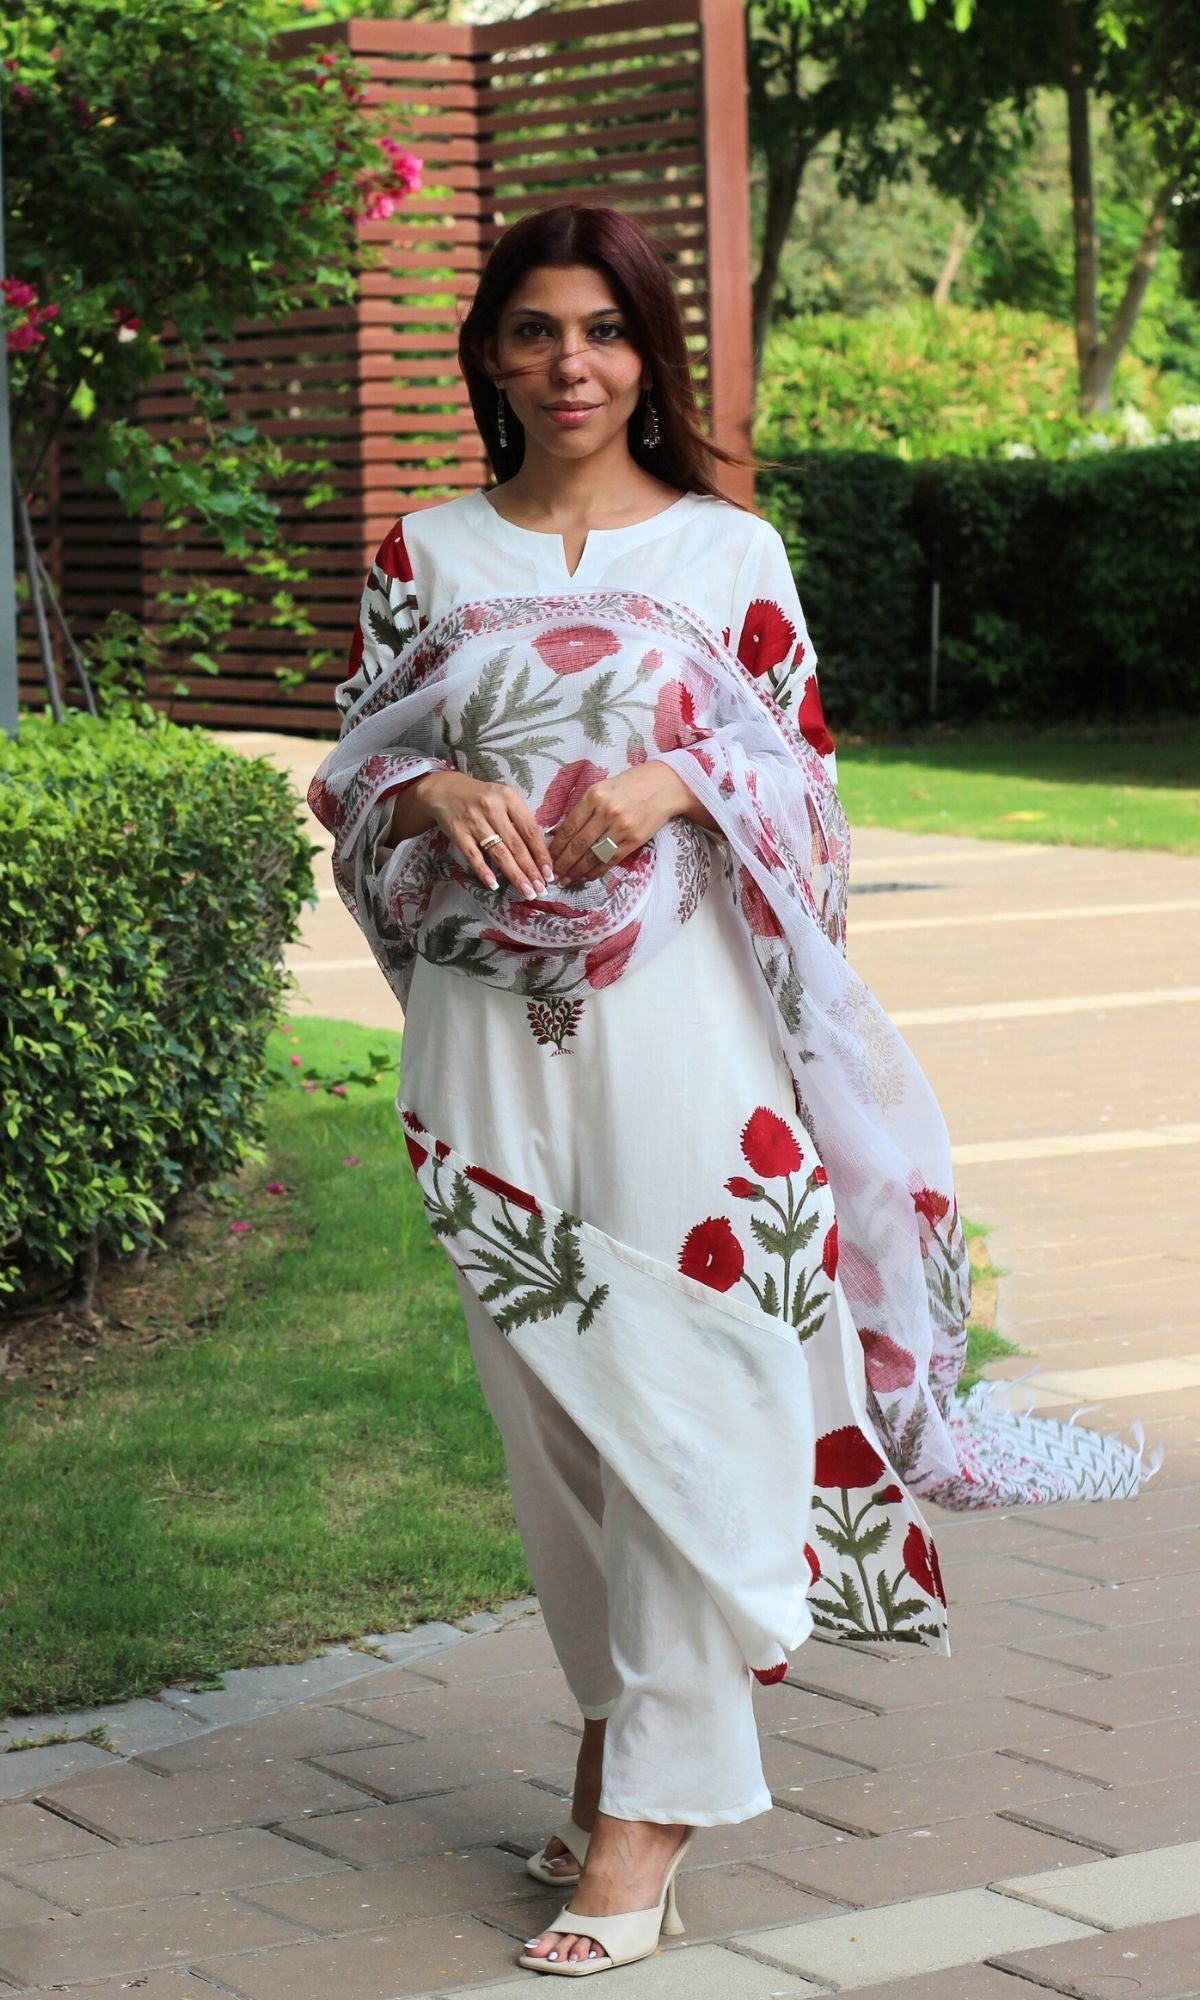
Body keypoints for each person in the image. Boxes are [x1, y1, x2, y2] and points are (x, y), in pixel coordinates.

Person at [308, 203, 1157, 1979]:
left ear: (647, 356)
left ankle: (648, 1819)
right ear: (489, 354)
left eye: (603, 332)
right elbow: (356, 764)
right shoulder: (430, 550)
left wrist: (683, 786)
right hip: (482, 1034)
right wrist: (420, 800)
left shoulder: (729, 551)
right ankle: (620, 1737)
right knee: (553, 1419)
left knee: (691, 1384)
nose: (569, 365)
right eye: (534, 331)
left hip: (688, 1033)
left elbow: (813, 801)